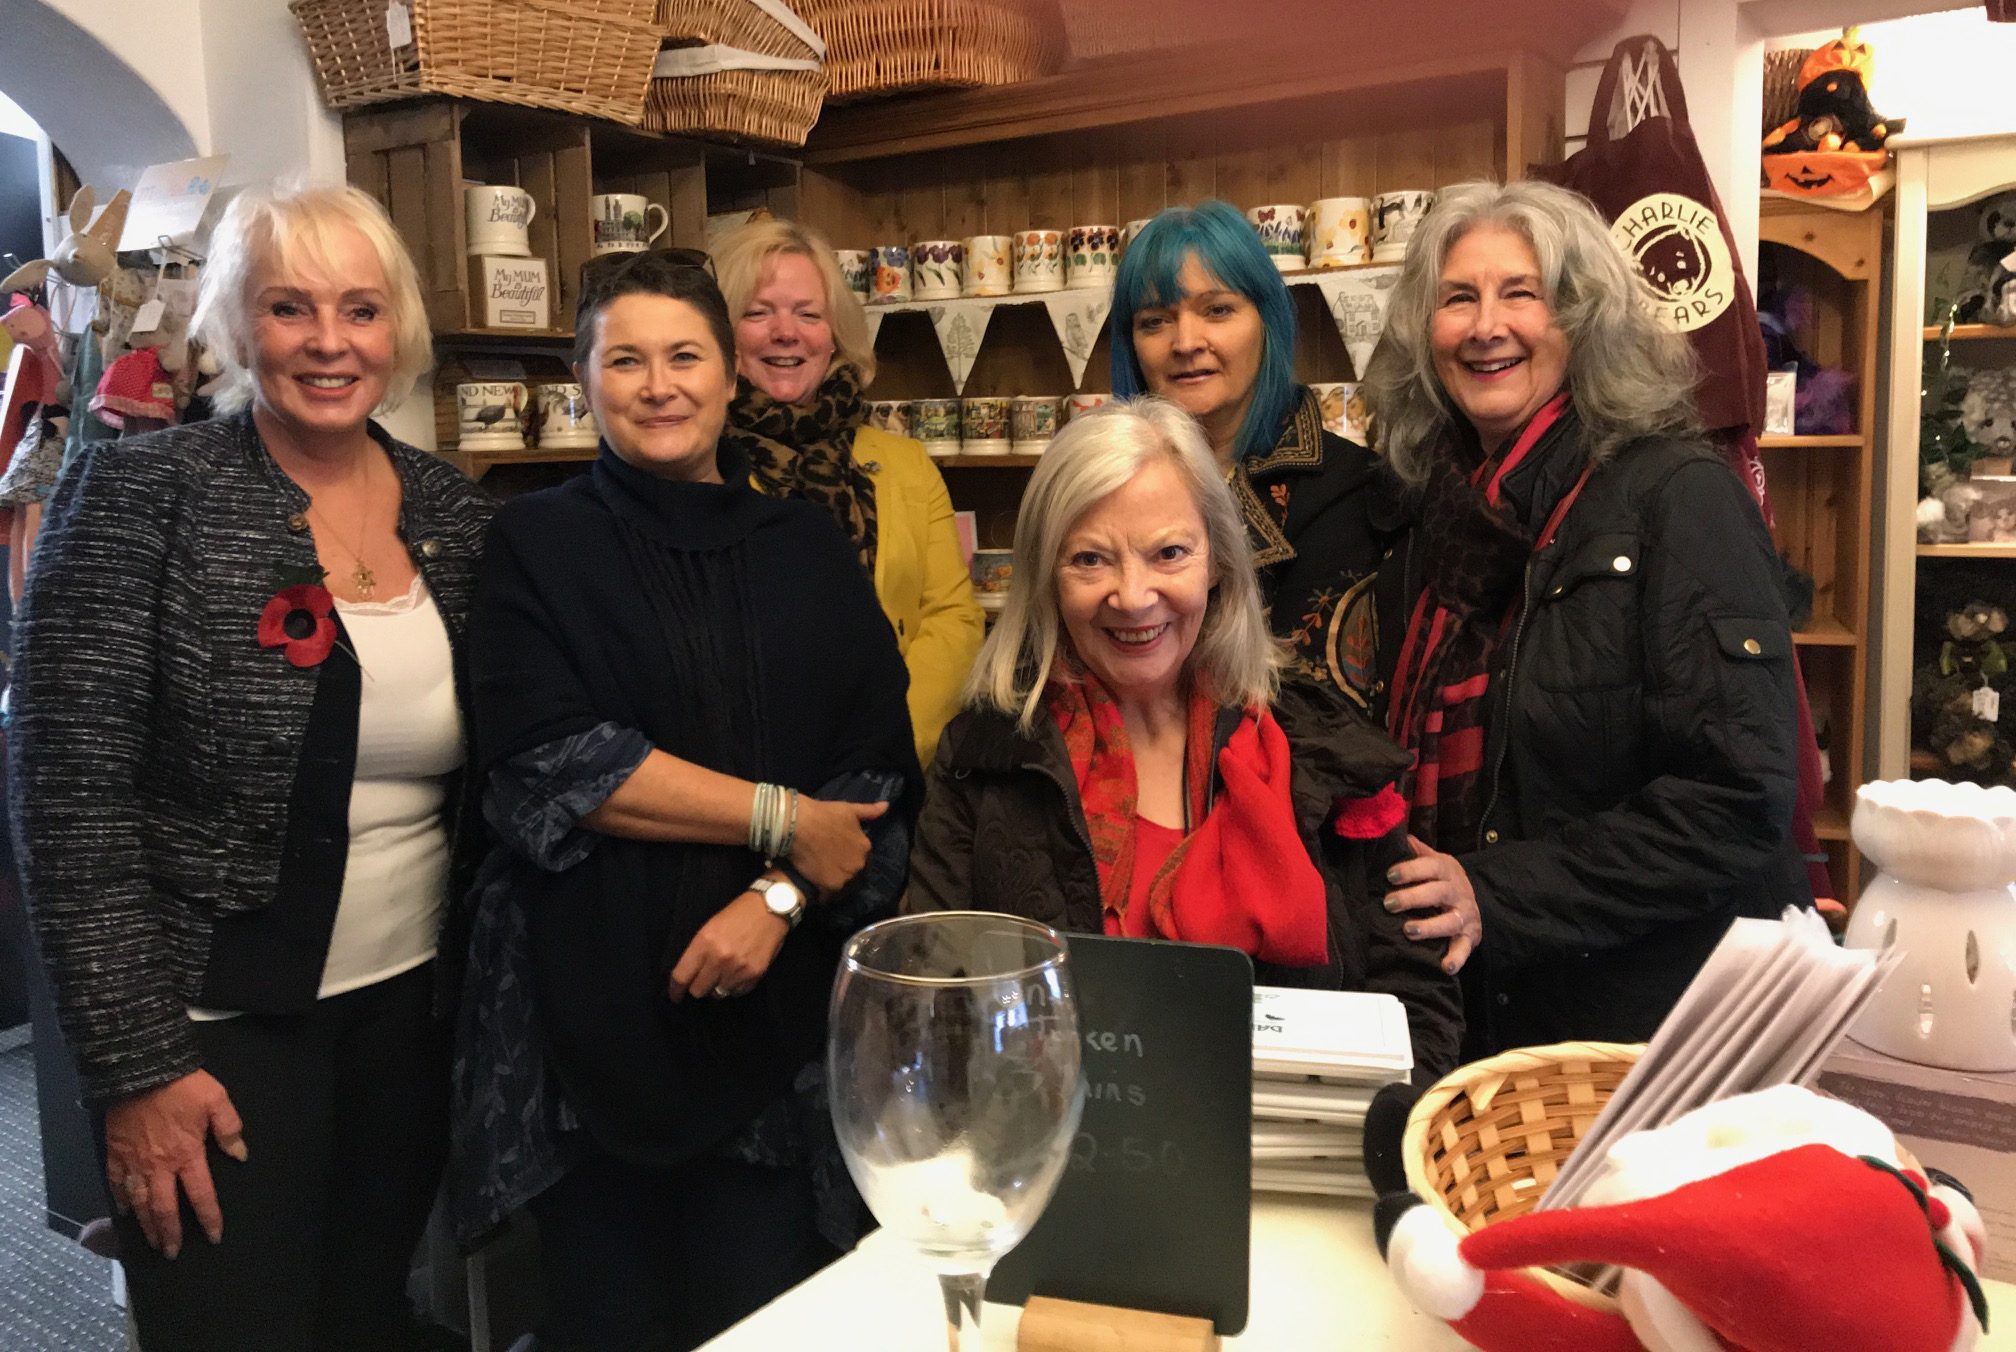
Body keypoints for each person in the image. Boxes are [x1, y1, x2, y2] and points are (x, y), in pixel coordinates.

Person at [9, 183, 494, 1351]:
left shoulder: (453, 512)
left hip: (410, 1018)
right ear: (237, 324)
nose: (330, 341)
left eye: (360, 310)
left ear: (397, 331)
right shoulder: (141, 493)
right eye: (290, 307)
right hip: (207, 1032)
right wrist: (135, 1072)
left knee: (366, 1318)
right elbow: (68, 801)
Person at [454, 251, 918, 1352]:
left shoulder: (806, 545)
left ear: (729, 373)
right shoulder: (533, 540)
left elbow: (875, 768)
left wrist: (778, 899)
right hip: (586, 1030)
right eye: (625, 361)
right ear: (582, 378)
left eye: (684, 356)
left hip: (774, 1029)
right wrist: (782, 821)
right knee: (605, 1321)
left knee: (767, 1313)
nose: (658, 386)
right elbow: (552, 760)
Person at [1362, 179, 1810, 1060]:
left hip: (1641, 1033)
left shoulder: (1678, 496)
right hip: (1468, 1010)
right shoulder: (1426, 515)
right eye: (1458, 298)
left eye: (1521, 293)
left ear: (1582, 319)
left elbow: (1738, 797)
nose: (1487, 326)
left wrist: (1495, 893)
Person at [906, 397, 1460, 1077]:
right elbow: (931, 998)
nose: (1133, 596)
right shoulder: (985, 759)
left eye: (1169, 553)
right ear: (1046, 579)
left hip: (1298, 1138)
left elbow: (1415, 994)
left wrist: (1383, 1126)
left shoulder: (1319, 747)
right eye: (1090, 560)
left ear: (1218, 560)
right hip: (1059, 1139)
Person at [713, 219, 984, 765]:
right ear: (717, 334)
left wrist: (884, 742)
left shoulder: (906, 464)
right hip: (752, 775)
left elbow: (954, 619)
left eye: (808, 314)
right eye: (758, 312)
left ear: (835, 333)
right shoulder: (698, 467)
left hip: (896, 764)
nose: (786, 332)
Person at [1109, 200, 1383, 715]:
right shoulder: (1100, 486)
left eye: (1217, 310)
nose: (1185, 342)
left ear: (1267, 322)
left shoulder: (1347, 489)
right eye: (1155, 321)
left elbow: (1324, 718)